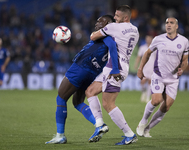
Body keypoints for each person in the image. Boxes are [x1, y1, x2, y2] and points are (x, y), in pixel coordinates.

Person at [45, 15, 120, 144]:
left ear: (107, 23)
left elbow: (112, 46)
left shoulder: (106, 35)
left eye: (100, 21)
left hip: (80, 67)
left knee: (61, 97)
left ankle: (60, 135)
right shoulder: (105, 36)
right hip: (91, 72)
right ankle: (99, 124)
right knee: (77, 102)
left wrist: (116, 69)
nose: (97, 23)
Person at [85, 5, 139, 145]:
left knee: (108, 104)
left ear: (125, 17)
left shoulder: (115, 27)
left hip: (114, 69)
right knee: (90, 91)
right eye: (114, 15)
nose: (114, 18)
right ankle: (99, 124)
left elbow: (93, 36)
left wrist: (102, 31)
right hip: (121, 65)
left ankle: (129, 134)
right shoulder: (135, 30)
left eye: (117, 16)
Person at [136, 17, 189, 138]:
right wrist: (140, 69)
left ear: (176, 26)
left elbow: (185, 60)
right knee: (156, 100)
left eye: (171, 23)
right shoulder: (158, 39)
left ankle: (147, 129)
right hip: (158, 76)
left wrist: (183, 67)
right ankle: (143, 122)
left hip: (173, 79)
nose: (168, 25)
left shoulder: (184, 41)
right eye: (167, 23)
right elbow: (147, 53)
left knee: (166, 107)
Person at [134, 35, 155, 103]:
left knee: (150, 81)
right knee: (142, 81)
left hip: (152, 67)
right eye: (147, 39)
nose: (148, 40)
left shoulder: (155, 48)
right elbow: (139, 57)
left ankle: (147, 97)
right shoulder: (142, 47)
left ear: (151, 39)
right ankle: (143, 93)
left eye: (149, 39)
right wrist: (136, 64)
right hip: (144, 67)